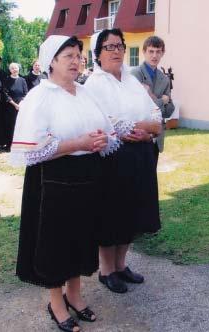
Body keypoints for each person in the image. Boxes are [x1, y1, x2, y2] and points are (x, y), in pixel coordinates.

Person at [12, 35, 119, 332]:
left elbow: (106, 132)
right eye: (68, 56)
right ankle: (56, 303)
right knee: (56, 243)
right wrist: (77, 143)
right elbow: (32, 149)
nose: (76, 61)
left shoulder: (84, 93)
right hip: (54, 180)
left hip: (87, 177)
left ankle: (75, 295)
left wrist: (100, 140)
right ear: (52, 61)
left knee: (82, 237)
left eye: (78, 55)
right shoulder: (40, 96)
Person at [85, 29, 162, 294]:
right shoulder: (95, 84)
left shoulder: (131, 80)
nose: (116, 51)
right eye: (109, 47)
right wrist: (144, 127)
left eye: (119, 45)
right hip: (113, 159)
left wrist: (146, 129)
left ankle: (121, 265)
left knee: (132, 212)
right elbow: (112, 123)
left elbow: (156, 115)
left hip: (140, 154)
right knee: (112, 214)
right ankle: (107, 271)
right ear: (98, 53)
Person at [131, 36, 175, 164]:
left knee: (151, 179)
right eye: (151, 51)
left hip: (156, 138)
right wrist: (163, 100)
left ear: (162, 53)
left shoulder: (164, 78)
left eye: (158, 51)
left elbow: (169, 111)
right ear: (144, 52)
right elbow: (140, 107)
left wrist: (150, 95)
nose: (154, 55)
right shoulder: (135, 74)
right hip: (139, 134)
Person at [2, 63, 28, 151]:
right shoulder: (7, 80)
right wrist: (15, 104)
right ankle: (9, 145)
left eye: (16, 68)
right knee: (10, 126)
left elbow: (26, 93)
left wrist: (20, 104)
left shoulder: (22, 80)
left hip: (21, 107)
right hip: (10, 107)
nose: (14, 70)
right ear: (10, 70)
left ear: (18, 69)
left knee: (20, 126)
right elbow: (5, 94)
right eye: (12, 68)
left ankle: (19, 145)